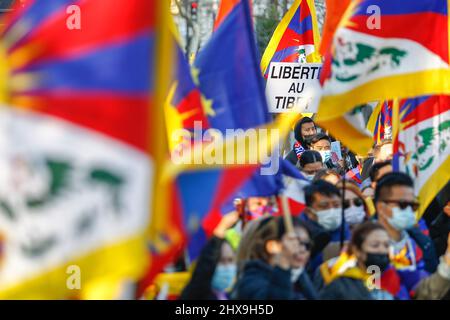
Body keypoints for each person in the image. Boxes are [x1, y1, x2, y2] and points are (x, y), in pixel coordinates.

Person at [319, 222, 450, 300]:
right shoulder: (341, 284)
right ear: (358, 250)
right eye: (375, 245)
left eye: (386, 245)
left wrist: (447, 264)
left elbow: (428, 292)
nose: (382, 250)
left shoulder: (400, 274)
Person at [374, 172, 438, 289]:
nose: (409, 210)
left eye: (412, 205)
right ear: (381, 207)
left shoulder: (421, 242)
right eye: (403, 204)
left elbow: (428, 289)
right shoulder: (365, 247)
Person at [233, 216, 301, 299]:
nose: (300, 249)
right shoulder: (252, 280)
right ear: (272, 246)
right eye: (291, 244)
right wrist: (284, 263)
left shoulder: (295, 277)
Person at [180, 211, 239, 300]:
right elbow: (206, 265)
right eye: (221, 261)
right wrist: (220, 230)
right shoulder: (195, 294)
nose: (227, 267)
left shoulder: (229, 296)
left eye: (230, 260)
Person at [300, 180, 350, 273]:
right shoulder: (299, 235)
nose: (332, 210)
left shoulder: (345, 228)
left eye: (336, 205)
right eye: (324, 206)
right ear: (309, 212)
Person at [290, 218, 319, 300]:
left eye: (307, 245)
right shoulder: (258, 279)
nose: (302, 249)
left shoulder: (301, 276)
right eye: (296, 243)